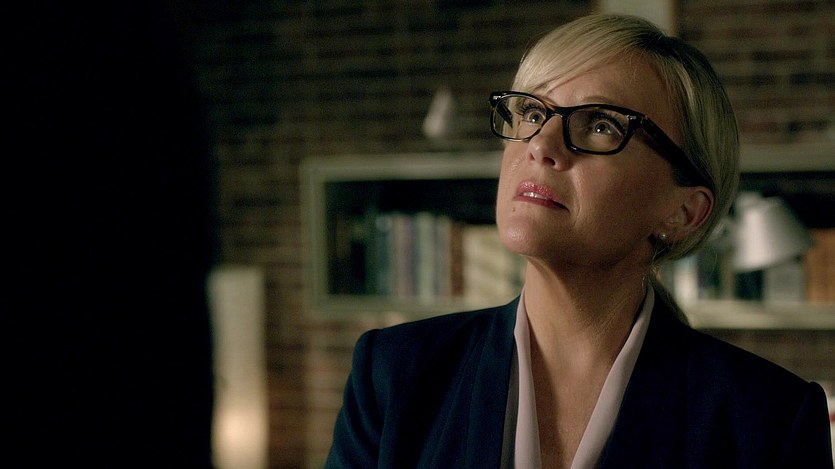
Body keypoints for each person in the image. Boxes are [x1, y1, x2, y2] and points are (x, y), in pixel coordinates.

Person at [325, 14, 833, 468]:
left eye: (601, 125)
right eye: (531, 113)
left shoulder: (769, 420)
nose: (540, 145)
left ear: (683, 212)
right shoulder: (395, 374)